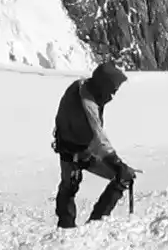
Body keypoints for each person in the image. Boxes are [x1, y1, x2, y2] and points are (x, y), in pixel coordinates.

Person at [51, 62, 137, 228]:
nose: (112, 96)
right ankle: (93, 225)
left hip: (72, 150)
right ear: (102, 87)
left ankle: (67, 228)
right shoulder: (88, 103)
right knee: (121, 176)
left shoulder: (80, 86)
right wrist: (117, 163)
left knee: (68, 187)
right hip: (80, 152)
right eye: (112, 91)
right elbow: (98, 138)